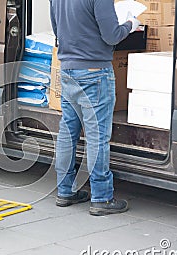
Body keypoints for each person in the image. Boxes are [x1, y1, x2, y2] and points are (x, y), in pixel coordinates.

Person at [49, 0, 140, 216]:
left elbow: (57, 31)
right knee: (97, 136)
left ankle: (65, 191)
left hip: (69, 70)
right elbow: (111, 35)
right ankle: (101, 197)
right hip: (95, 72)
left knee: (67, 132)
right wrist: (131, 24)